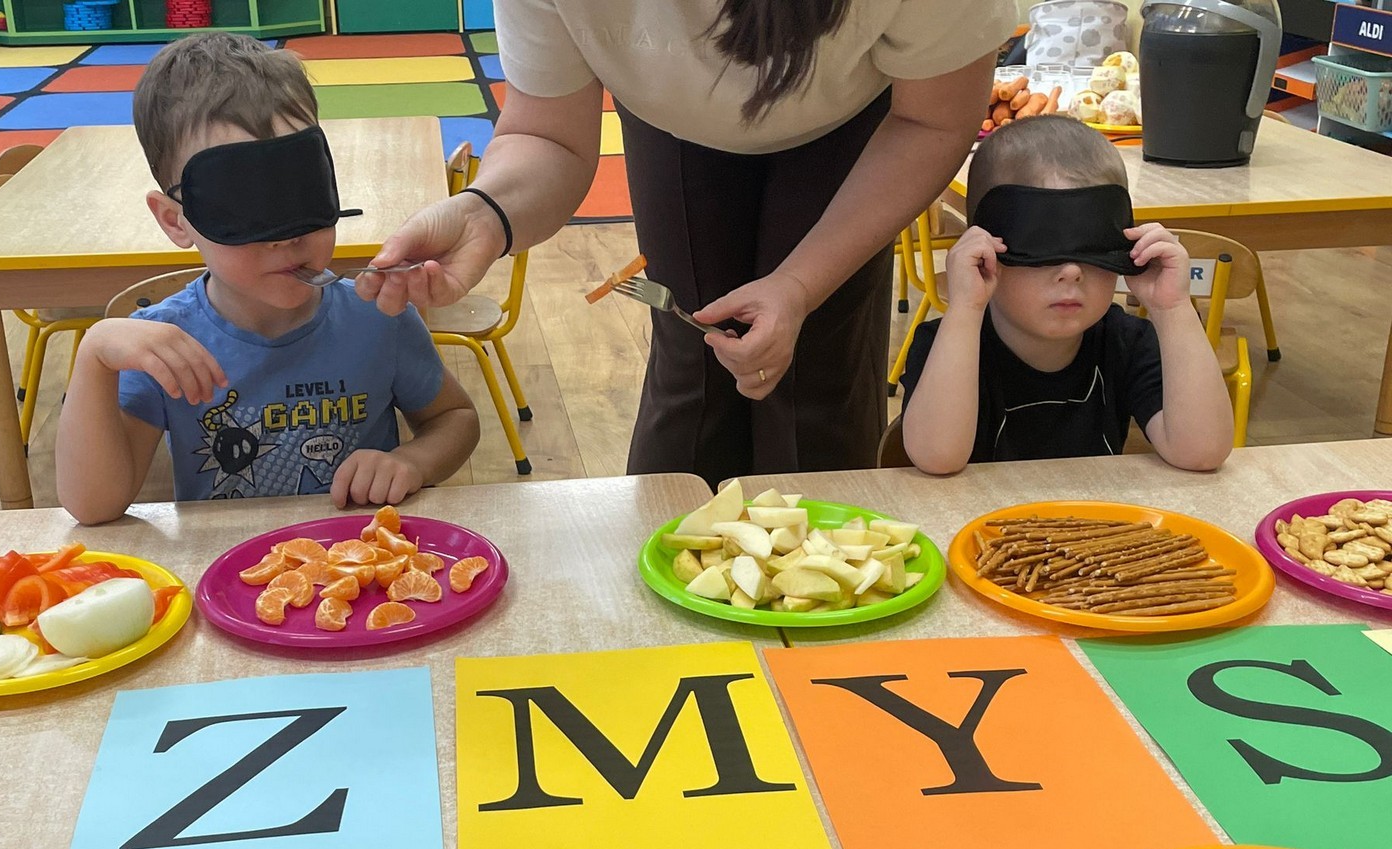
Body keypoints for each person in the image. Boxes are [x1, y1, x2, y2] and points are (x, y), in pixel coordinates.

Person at [356, 0, 1016, 485]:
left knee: (815, 378)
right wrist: (487, 212)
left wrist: (799, 286)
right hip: (667, 116)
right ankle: (667, 580)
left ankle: (824, 607)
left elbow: (933, 119)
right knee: (693, 361)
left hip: (858, 117)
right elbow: (548, 132)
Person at [56, 33, 480, 526]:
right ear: (175, 220)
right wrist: (94, 355)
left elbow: (455, 418)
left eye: (301, 192)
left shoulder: (379, 318)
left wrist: (412, 462)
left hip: (357, 557)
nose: (285, 238)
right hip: (225, 562)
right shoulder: (163, 348)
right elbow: (93, 506)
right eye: (241, 205)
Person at [900, 116, 1233, 475]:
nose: (1072, 271)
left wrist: (1173, 309)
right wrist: (964, 308)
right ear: (985, 252)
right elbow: (938, 457)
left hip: (1092, 511)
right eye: (1042, 246)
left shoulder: (1128, 343)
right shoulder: (944, 345)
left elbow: (1202, 452)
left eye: (1092, 247)